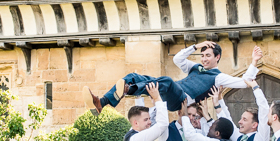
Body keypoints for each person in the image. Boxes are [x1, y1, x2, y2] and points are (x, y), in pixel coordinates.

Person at [86, 41, 259, 113]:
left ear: (217, 57)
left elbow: (244, 83)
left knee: (167, 81)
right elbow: (178, 59)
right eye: (203, 55)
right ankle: (103, 102)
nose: (204, 59)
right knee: (134, 75)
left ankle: (130, 90)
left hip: (182, 101)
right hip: (171, 93)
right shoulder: (196, 67)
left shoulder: (218, 77)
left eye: (208, 56)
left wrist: (253, 62)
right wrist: (195, 46)